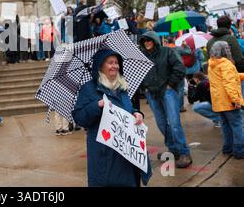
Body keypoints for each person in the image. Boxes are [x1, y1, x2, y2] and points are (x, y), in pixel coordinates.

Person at [72, 49, 152, 186]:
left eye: (116, 63)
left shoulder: (122, 87)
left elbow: (128, 108)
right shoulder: (89, 88)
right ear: (100, 66)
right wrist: (97, 105)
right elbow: (79, 117)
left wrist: (137, 113)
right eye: (110, 63)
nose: (114, 66)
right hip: (104, 154)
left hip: (126, 154)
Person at [139, 31, 193, 168]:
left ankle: (184, 153)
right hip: (151, 94)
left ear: (155, 40)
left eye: (149, 40)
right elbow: (139, 74)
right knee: (162, 124)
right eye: (144, 40)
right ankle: (173, 150)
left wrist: (170, 85)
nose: (146, 42)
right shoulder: (142, 55)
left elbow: (179, 68)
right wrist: (144, 87)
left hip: (167, 92)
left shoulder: (167, 51)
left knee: (174, 123)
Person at [208, 41, 244, 159]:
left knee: (226, 125)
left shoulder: (212, 63)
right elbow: (229, 84)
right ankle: (240, 151)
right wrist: (236, 100)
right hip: (229, 101)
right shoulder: (226, 64)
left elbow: (227, 78)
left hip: (219, 102)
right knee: (237, 125)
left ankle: (227, 149)